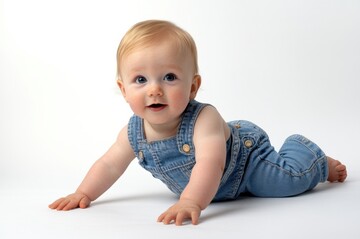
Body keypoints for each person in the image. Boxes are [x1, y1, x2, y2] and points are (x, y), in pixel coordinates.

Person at [49, 20, 347, 226]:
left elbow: (211, 164)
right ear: (123, 89)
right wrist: (83, 193)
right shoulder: (133, 133)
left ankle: (310, 157)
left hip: (245, 164)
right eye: (140, 79)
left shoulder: (204, 119)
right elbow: (109, 165)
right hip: (214, 186)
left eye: (169, 77)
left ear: (193, 87)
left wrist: (191, 201)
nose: (155, 89)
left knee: (287, 182)